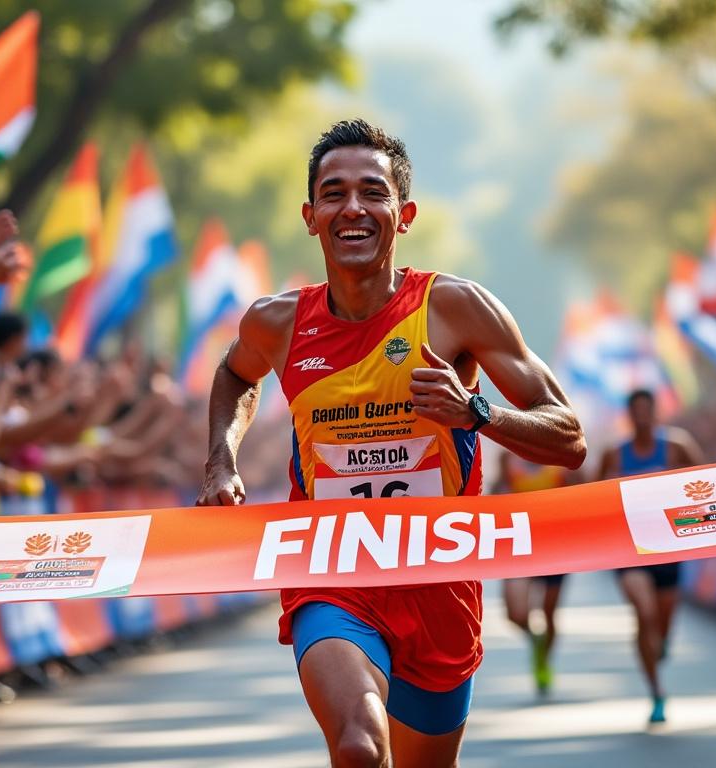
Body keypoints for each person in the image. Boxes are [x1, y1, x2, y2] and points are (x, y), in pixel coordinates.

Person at [198, 119, 585, 767]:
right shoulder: (277, 322)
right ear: (310, 215)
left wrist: (477, 412)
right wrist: (220, 456)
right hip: (332, 573)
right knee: (358, 744)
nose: (353, 207)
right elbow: (235, 375)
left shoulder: (454, 309)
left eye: (372, 193)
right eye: (334, 193)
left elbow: (567, 436)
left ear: (402, 215)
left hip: (440, 586)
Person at [598, 388, 704, 725]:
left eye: (648, 409)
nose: (642, 415)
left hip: (669, 549)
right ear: (630, 415)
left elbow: (705, 482)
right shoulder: (614, 455)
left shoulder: (677, 446)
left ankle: (658, 648)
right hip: (629, 551)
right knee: (644, 614)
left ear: (656, 412)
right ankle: (657, 693)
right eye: (636, 410)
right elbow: (592, 498)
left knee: (661, 629)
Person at [494, 450, 574, 697]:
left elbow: (581, 493)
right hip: (520, 546)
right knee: (515, 614)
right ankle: (536, 640)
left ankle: (543, 663)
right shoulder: (509, 458)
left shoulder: (559, 458)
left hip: (554, 547)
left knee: (549, 613)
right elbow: (496, 492)